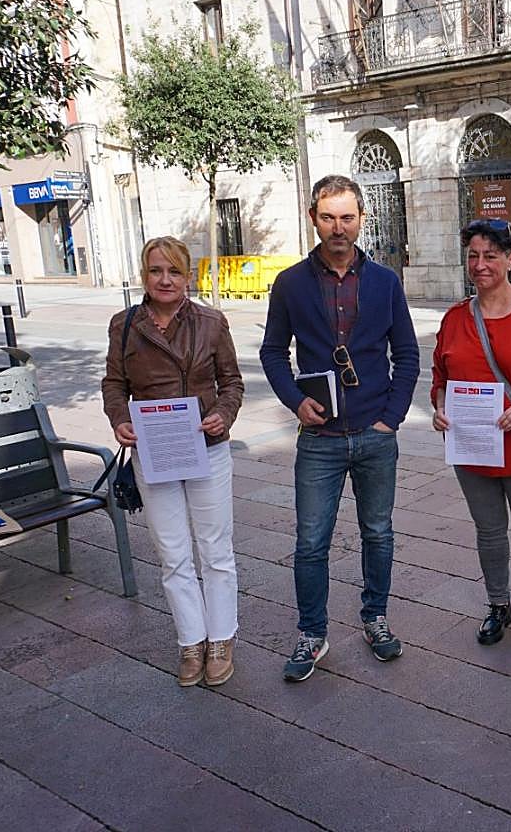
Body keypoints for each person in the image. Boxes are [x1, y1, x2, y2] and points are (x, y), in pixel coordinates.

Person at [260, 174, 419, 681]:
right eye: (328, 217)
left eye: (347, 217)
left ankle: (375, 618)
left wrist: (391, 418)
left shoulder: (385, 282)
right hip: (319, 437)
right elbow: (272, 351)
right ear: (313, 218)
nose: (338, 227)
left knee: (378, 533)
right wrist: (293, 401)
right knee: (310, 540)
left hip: (375, 434)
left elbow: (408, 356)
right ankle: (312, 633)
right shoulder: (290, 283)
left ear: (361, 219)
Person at [101, 236, 244, 687]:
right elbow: (113, 383)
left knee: (215, 551)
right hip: (155, 453)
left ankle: (221, 639)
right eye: (156, 271)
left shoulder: (211, 322)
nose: (165, 280)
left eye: (174, 271)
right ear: (143, 275)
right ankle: (191, 641)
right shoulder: (124, 324)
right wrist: (120, 419)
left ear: (188, 276)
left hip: (206, 449)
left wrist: (222, 415)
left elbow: (232, 382)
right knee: (173, 554)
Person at [431, 219, 511, 650]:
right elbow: (440, 376)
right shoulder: (454, 318)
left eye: (490, 255)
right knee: (488, 532)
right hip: (473, 447)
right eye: (473, 255)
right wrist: (440, 408)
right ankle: (497, 605)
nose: (480, 264)